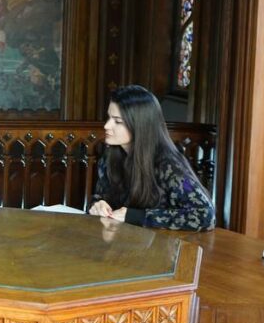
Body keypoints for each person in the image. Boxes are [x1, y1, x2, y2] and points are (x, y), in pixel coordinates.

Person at [87, 84, 215, 231]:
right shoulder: (110, 157)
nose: (107, 126)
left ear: (140, 125)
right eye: (109, 117)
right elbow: (100, 196)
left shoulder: (171, 166)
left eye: (118, 121)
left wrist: (138, 217)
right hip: (122, 238)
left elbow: (205, 215)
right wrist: (97, 205)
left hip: (161, 242)